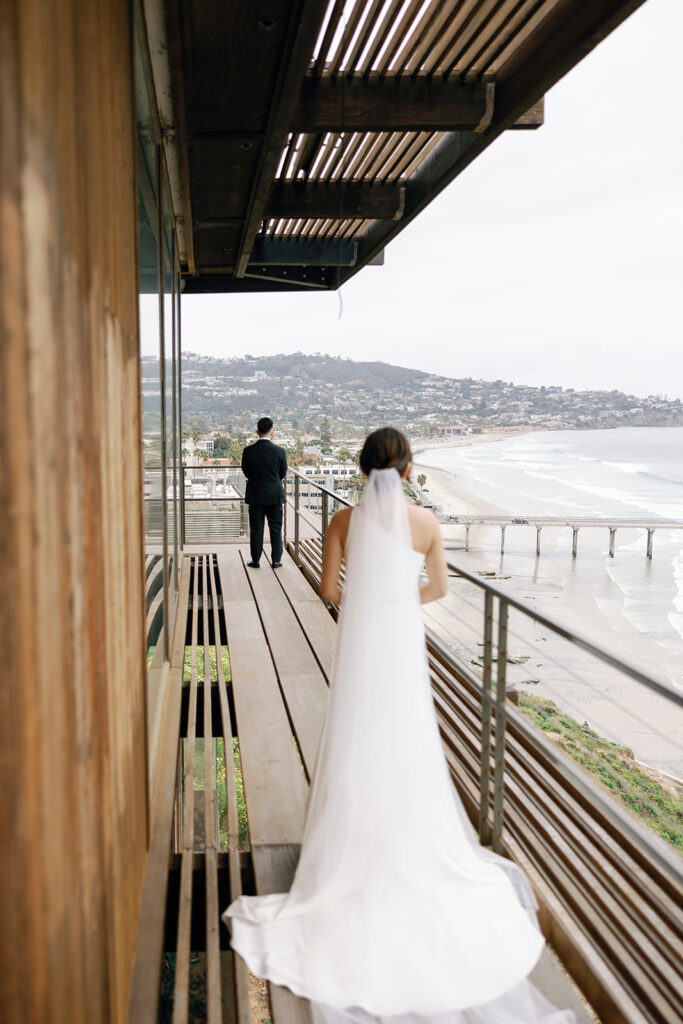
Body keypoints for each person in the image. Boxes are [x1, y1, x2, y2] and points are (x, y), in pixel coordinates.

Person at [225, 427, 573, 1024]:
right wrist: (393, 600)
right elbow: (436, 586)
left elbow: (331, 589)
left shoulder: (342, 522)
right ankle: (409, 848)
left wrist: (367, 601)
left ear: (362, 469)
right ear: (409, 470)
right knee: (407, 742)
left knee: (357, 738)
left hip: (361, 644)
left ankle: (351, 852)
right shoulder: (427, 525)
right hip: (401, 642)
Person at [241, 417, 288, 569]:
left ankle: (255, 560)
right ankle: (276, 561)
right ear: (272, 432)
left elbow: (246, 471)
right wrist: (273, 481)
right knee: (275, 529)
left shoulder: (248, 451)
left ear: (257, 432)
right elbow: (282, 473)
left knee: (256, 530)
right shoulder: (280, 451)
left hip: (255, 495)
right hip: (274, 496)